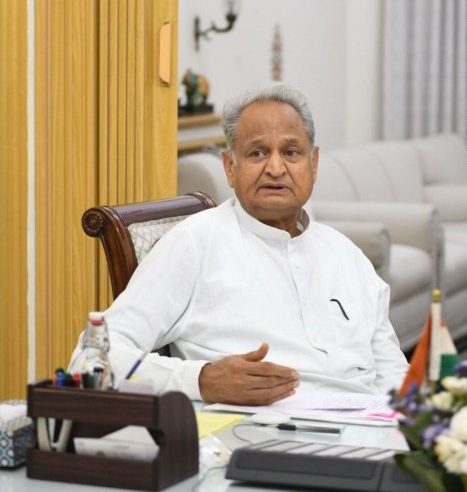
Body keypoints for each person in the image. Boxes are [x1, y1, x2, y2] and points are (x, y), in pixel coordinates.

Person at [68, 83, 409, 405]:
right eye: (257, 153)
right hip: (259, 436)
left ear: (313, 164)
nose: (275, 168)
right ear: (230, 168)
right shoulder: (193, 244)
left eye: (291, 152)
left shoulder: (347, 255)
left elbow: (395, 375)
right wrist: (200, 380)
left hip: (370, 428)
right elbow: (90, 361)